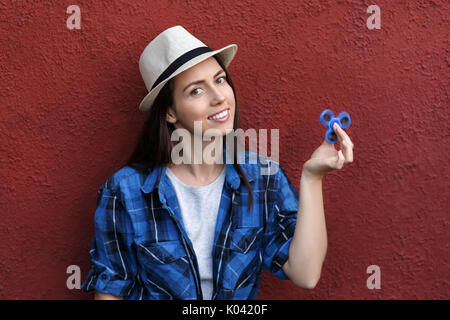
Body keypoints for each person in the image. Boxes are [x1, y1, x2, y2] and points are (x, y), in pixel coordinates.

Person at [81, 25, 354, 300]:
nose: (219, 97)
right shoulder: (124, 191)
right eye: (196, 91)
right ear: (169, 113)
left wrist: (313, 177)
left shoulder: (263, 177)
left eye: (220, 80)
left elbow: (305, 274)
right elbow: (111, 292)